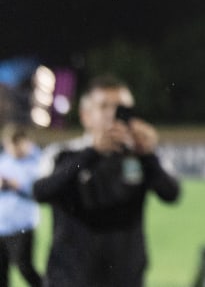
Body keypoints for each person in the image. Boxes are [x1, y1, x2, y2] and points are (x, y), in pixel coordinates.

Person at [33, 75, 181, 287]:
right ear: (85, 116)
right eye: (104, 106)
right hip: (68, 280)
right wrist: (92, 153)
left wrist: (148, 156)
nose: (113, 114)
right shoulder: (63, 154)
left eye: (121, 108)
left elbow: (171, 194)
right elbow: (41, 192)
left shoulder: (142, 156)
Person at [0, 124, 43, 287]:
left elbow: (39, 189)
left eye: (17, 144)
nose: (14, 149)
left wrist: (12, 184)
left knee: (24, 268)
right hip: (1, 226)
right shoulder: (3, 161)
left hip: (22, 226)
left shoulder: (37, 161)